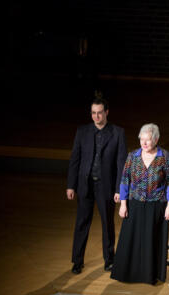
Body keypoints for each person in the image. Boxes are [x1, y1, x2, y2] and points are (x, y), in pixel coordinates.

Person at [66, 93, 127, 274]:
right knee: (81, 222)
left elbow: (121, 164)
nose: (96, 117)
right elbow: (74, 160)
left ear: (107, 112)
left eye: (100, 113)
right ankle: (77, 261)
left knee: (107, 224)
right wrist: (71, 185)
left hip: (105, 186)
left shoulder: (118, 133)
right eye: (93, 113)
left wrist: (119, 189)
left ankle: (109, 260)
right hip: (85, 185)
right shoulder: (82, 131)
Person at [111, 123, 169, 284]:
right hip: (135, 203)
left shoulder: (164, 156)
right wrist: (123, 204)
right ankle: (128, 274)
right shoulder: (132, 156)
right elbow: (124, 180)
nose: (144, 144)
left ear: (156, 139)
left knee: (151, 240)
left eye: (148, 140)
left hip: (156, 204)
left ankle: (149, 275)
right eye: (142, 140)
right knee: (131, 239)